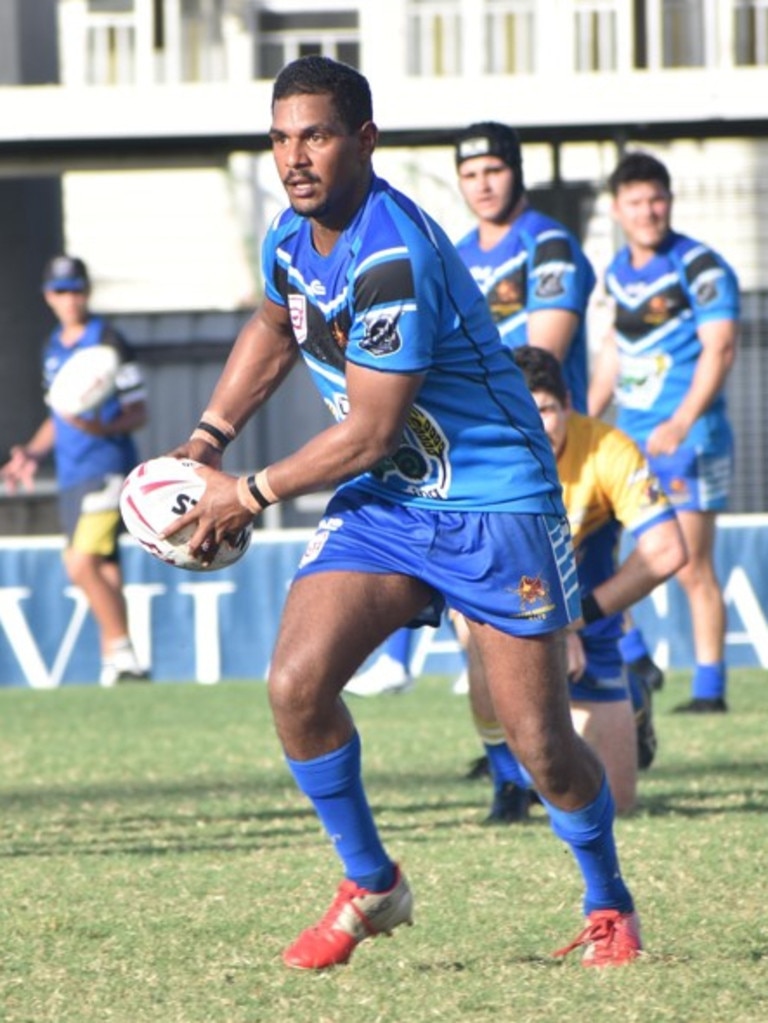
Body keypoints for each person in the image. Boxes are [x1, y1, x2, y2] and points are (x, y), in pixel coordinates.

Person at [167, 55, 641, 970]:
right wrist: (208, 435)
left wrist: (250, 490)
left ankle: (608, 900)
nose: (294, 156)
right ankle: (371, 884)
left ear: (366, 141)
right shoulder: (291, 235)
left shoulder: (392, 252)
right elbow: (276, 324)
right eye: (280, 137)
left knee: (542, 747)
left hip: (493, 499)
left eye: (317, 135)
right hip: (394, 502)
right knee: (295, 686)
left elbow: (372, 430)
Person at [346, 119, 597, 698]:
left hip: (533, 436)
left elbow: (542, 355)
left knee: (576, 575)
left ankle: (624, 675)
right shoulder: (452, 251)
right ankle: (405, 660)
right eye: (469, 174)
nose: (482, 185)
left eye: (494, 170)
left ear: (517, 172)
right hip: (467, 438)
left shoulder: (549, 244)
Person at [460, 346, 687, 823]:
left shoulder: (609, 449)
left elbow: (667, 551)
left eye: (546, 408)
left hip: (592, 621)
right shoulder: (480, 459)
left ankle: (631, 696)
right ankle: (507, 784)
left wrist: (579, 617)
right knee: (471, 632)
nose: (538, 424)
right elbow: (483, 563)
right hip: (506, 605)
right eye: (524, 409)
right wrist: (553, 628)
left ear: (567, 403)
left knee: (614, 805)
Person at [589, 152, 740, 713]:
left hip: (691, 439)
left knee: (690, 566)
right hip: (631, 442)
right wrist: (585, 415)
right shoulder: (618, 274)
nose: (649, 211)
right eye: (636, 202)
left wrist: (682, 420)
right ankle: (636, 658)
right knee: (600, 551)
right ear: (617, 209)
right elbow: (613, 352)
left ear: (669, 202)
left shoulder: (699, 266)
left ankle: (710, 690)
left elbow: (721, 346)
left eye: (657, 199)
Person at [1, 255, 149, 687]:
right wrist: (31, 452)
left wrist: (101, 427)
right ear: (49, 296)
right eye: (61, 291)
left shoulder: (109, 341)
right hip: (71, 473)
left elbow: (138, 411)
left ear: (87, 292)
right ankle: (119, 663)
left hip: (106, 469)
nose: (70, 299)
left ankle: (120, 648)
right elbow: (60, 414)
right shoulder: (53, 348)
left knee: (79, 563)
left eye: (76, 290)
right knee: (103, 565)